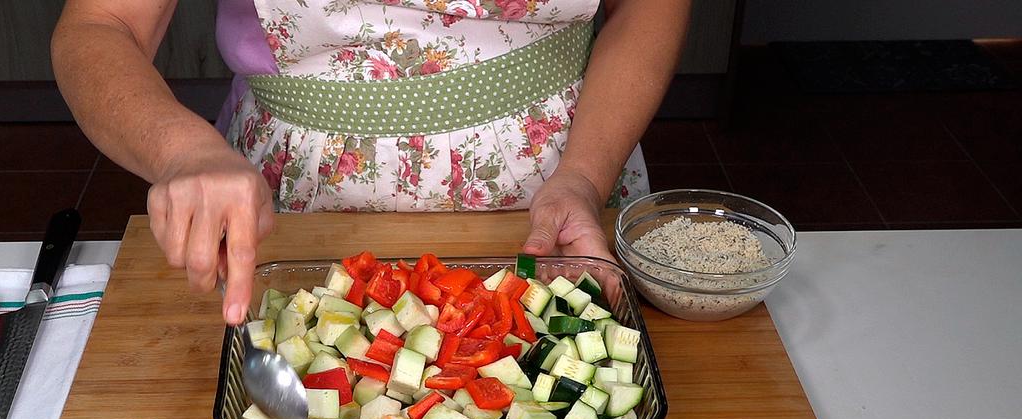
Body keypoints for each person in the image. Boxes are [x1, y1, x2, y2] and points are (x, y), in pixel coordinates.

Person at [53, 0, 689, 324]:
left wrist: (583, 177)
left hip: (561, 188)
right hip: (289, 208)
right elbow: (101, 22)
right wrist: (182, 151)